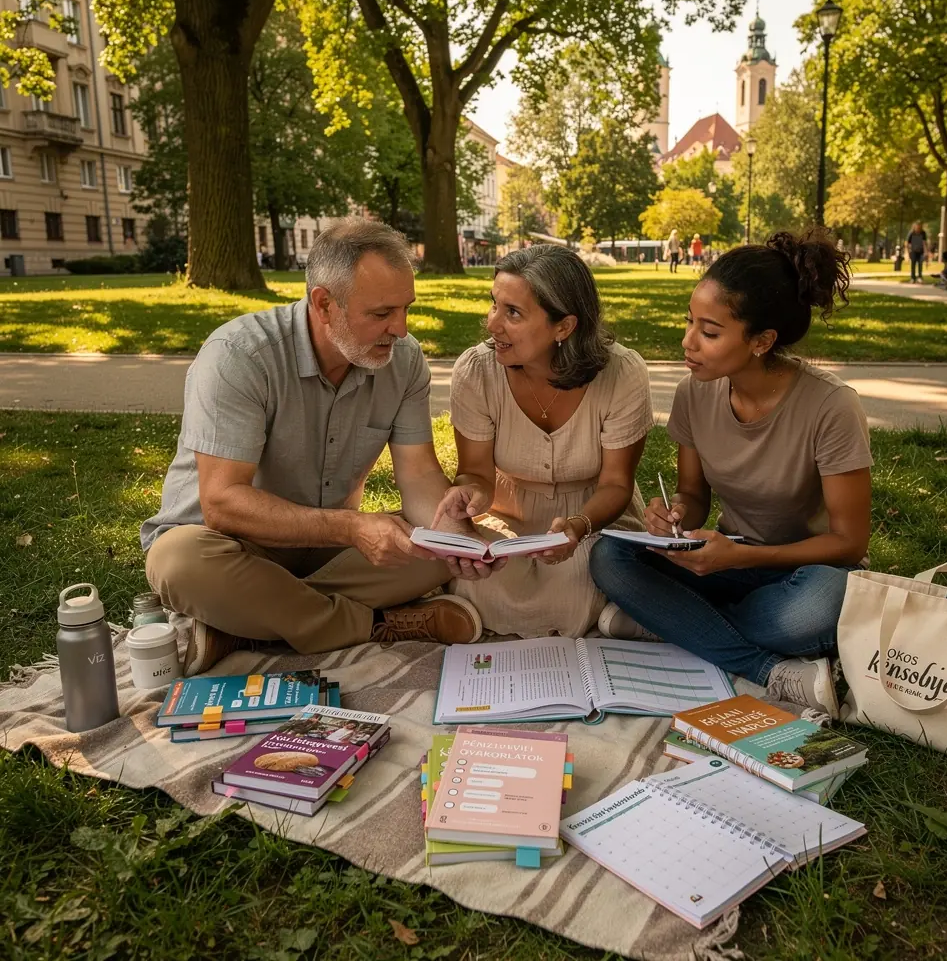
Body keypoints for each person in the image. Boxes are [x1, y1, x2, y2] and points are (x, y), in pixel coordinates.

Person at [143, 218, 493, 676]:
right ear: (324, 304)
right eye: (382, 313)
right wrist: (351, 529)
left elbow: (421, 476)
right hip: (232, 546)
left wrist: (450, 533)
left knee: (434, 556)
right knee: (179, 563)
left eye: (406, 308)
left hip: (324, 552)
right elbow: (223, 504)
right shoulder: (239, 356)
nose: (401, 329)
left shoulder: (404, 363)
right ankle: (375, 624)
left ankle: (245, 624)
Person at [590, 229, 873, 719]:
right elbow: (695, 495)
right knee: (610, 556)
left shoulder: (831, 406)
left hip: (809, 572)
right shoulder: (694, 393)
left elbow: (849, 542)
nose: (688, 342)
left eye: (710, 331)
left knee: (812, 612)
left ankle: (678, 622)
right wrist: (676, 515)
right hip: (727, 561)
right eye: (690, 323)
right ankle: (770, 670)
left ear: (762, 341)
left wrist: (741, 556)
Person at [432, 244, 654, 638]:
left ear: (564, 327)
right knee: (484, 571)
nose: (492, 324)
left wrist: (577, 526)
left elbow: (616, 484)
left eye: (512, 313)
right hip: (508, 513)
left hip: (594, 514)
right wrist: (469, 497)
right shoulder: (476, 371)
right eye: (494, 304)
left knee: (581, 577)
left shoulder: (623, 372)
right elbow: (475, 473)